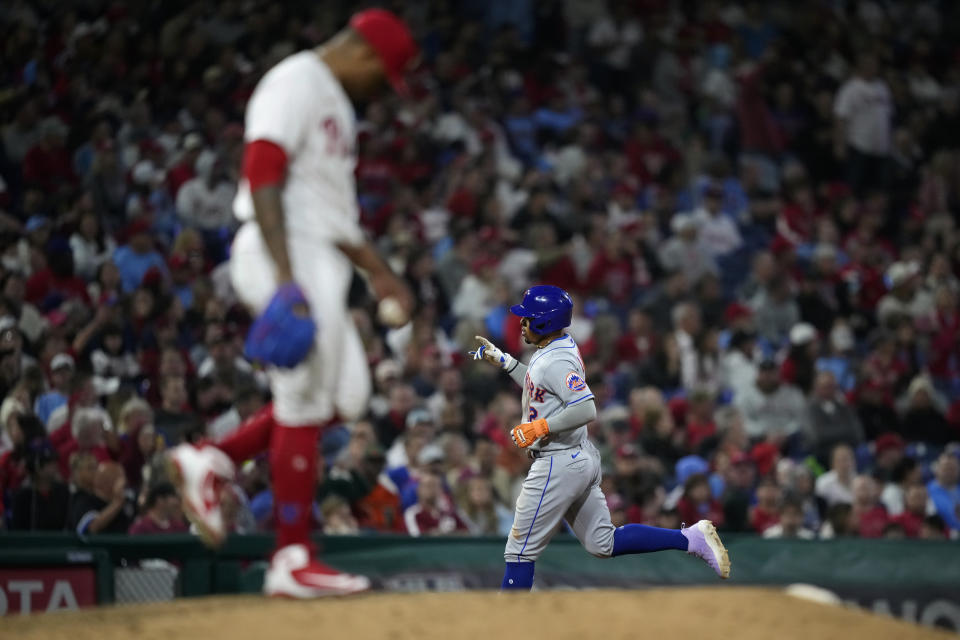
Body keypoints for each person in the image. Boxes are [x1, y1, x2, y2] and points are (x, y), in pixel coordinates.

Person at [167, 9, 418, 599]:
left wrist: (384, 277)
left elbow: (338, 218)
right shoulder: (296, 80)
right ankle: (291, 556)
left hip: (322, 263)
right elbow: (262, 167)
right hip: (285, 255)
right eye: (383, 78)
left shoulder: (337, 108)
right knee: (304, 398)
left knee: (348, 397)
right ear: (362, 53)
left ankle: (215, 460)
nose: (381, 93)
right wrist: (285, 279)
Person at [471, 285, 730, 591]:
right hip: (575, 456)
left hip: (557, 462)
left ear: (544, 323)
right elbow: (538, 384)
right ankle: (690, 539)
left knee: (519, 552)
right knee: (602, 542)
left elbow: (586, 408)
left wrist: (540, 428)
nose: (522, 323)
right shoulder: (555, 349)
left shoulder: (556, 361)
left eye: (528, 318)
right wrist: (505, 362)